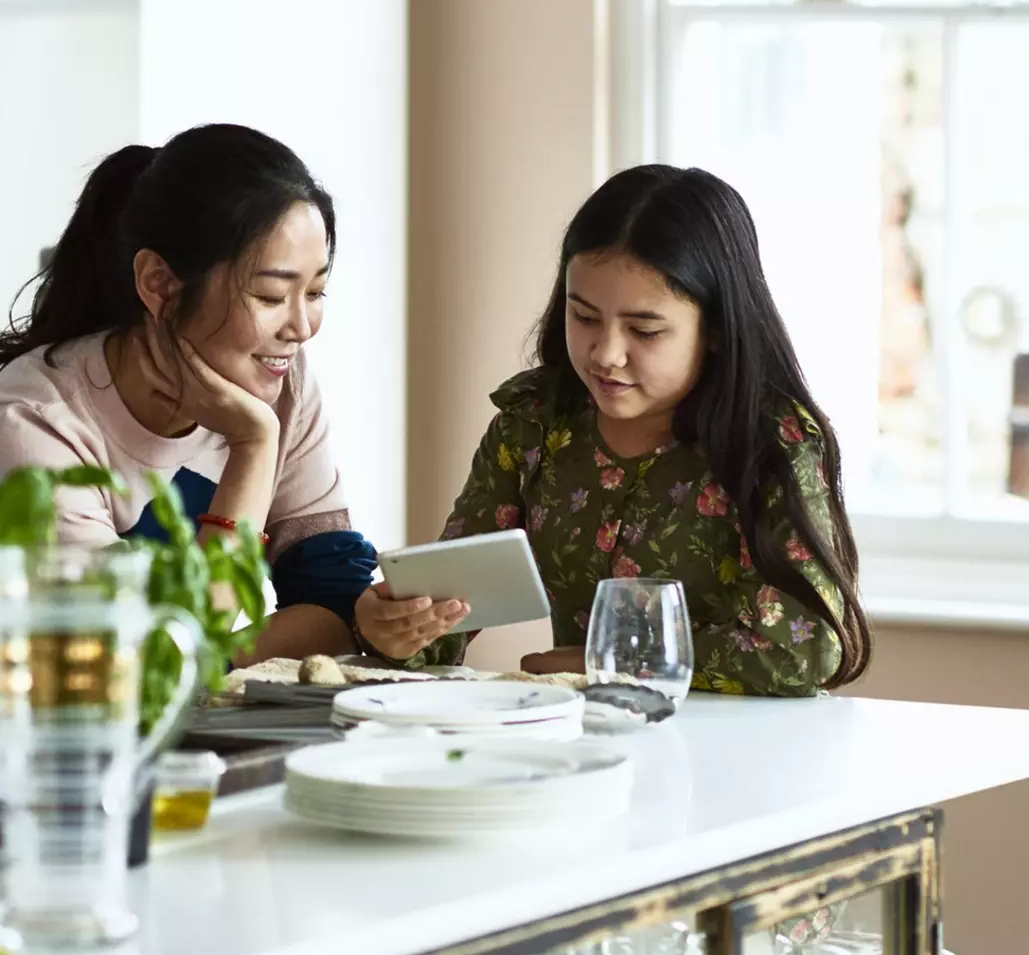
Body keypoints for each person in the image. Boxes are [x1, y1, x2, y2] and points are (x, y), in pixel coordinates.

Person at [355, 164, 871, 696]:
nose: (605, 354)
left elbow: (804, 648)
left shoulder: (772, 441)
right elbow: (453, 610)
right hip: (583, 740)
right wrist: (396, 628)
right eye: (583, 317)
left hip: (744, 753)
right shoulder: (533, 422)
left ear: (715, 328)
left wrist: (610, 660)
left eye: (644, 330)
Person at [0, 124, 376, 661]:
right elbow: (142, 661)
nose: (301, 327)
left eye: (315, 292)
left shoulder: (284, 384)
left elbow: (336, 608)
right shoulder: (33, 425)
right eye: (269, 294)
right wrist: (255, 446)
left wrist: (208, 654)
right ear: (160, 284)